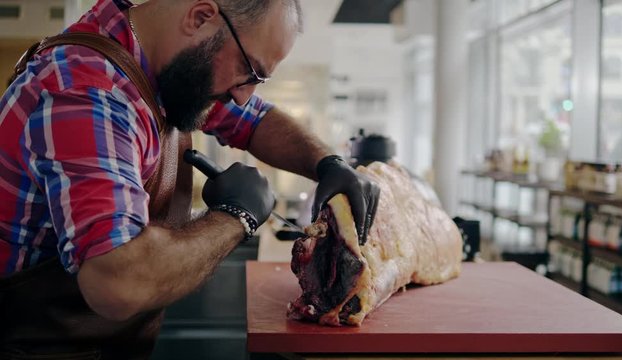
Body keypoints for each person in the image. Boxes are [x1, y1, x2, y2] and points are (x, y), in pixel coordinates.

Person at [0, 0, 379, 358]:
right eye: (250, 72)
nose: (244, 96)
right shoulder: (85, 93)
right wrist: (237, 215)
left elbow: (254, 121)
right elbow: (116, 283)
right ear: (199, 17)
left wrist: (327, 162)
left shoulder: (165, 62)